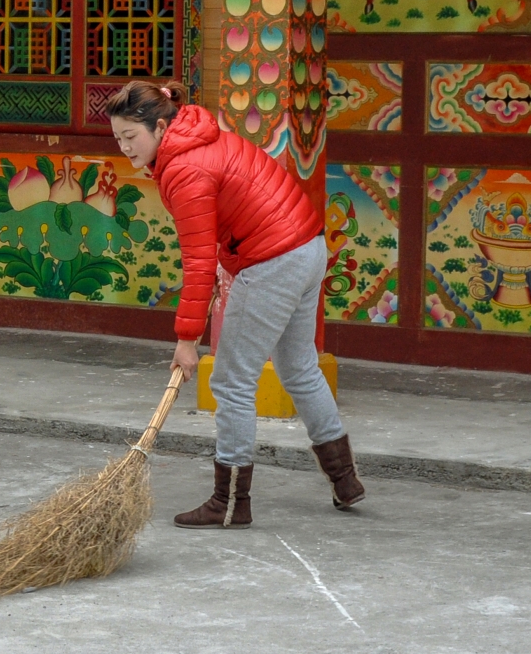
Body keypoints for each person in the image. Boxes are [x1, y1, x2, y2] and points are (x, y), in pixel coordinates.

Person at [104, 80, 364, 529]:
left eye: (131, 136)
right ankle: (346, 481)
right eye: (118, 138)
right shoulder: (198, 134)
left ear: (161, 126)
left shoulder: (185, 170)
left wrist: (187, 339)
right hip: (307, 248)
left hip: (274, 261)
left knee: (231, 381)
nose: (125, 147)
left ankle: (229, 505)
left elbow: (199, 261)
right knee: (300, 367)